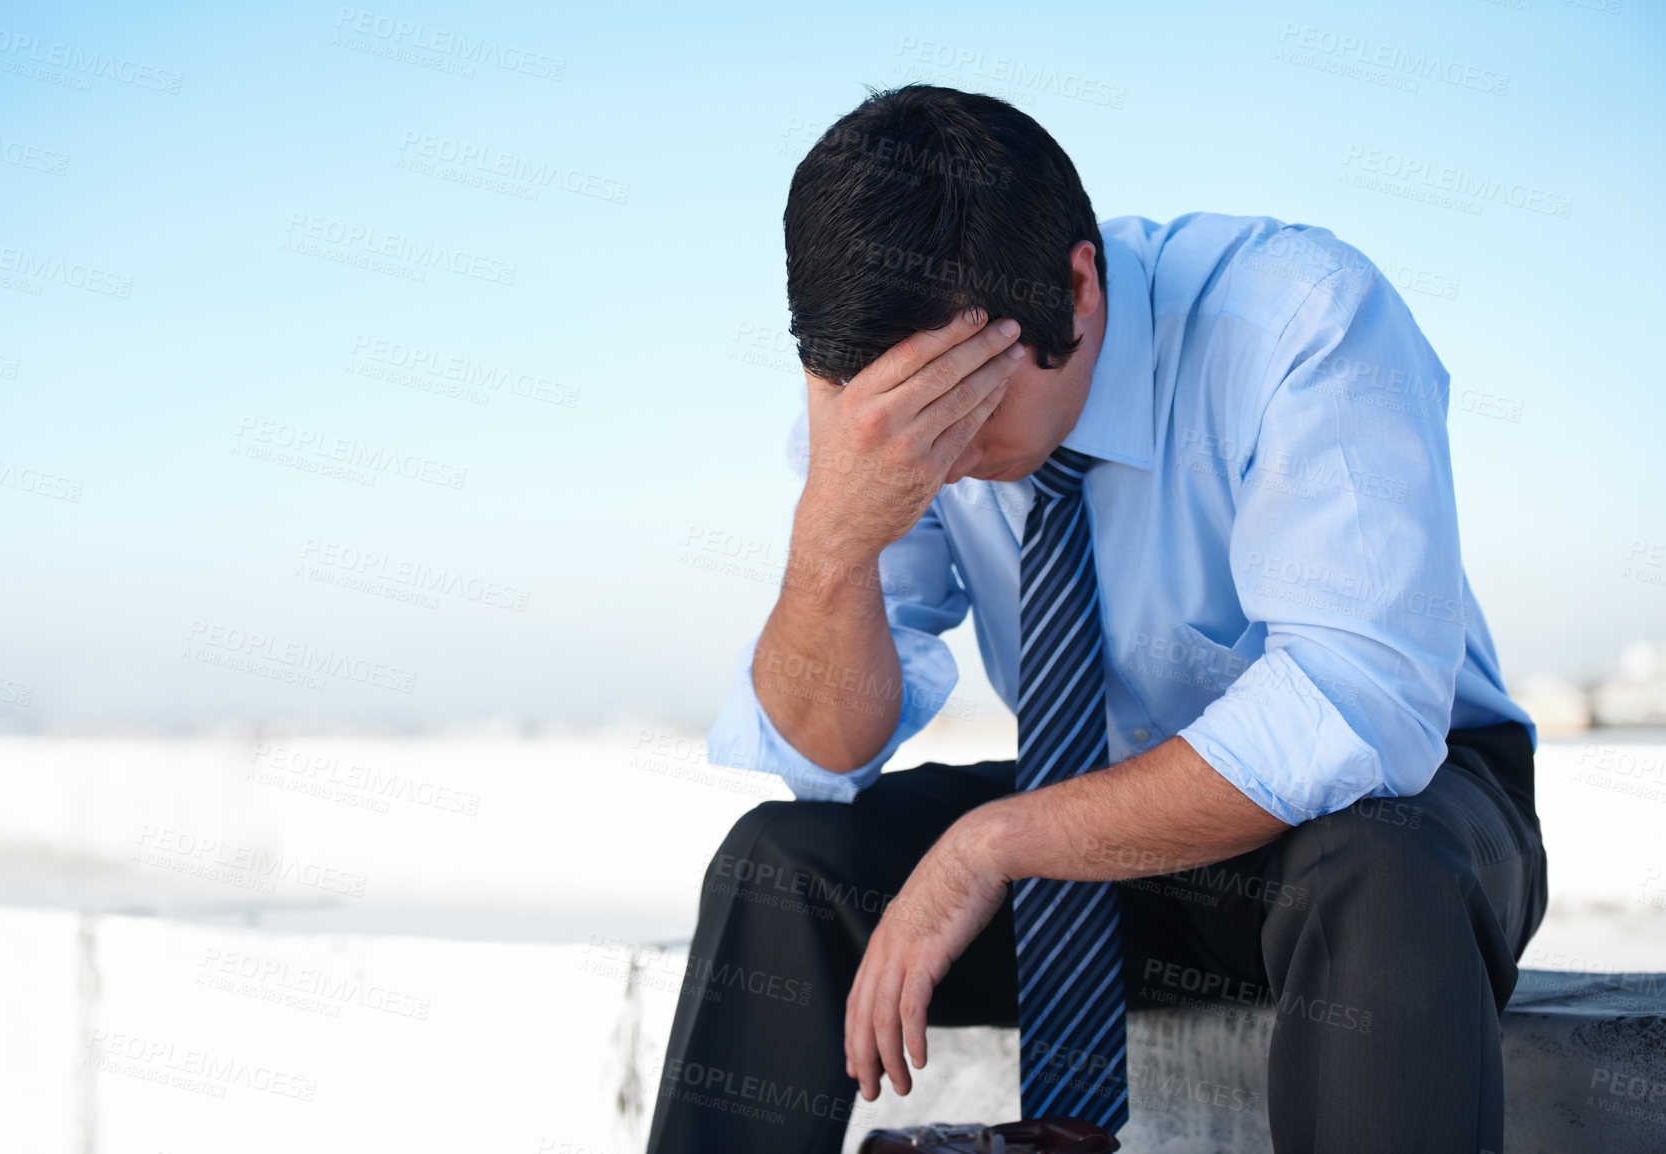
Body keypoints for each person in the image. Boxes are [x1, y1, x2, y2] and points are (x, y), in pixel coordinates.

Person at [646, 84, 1546, 1154]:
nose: (932, 453)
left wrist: (997, 841)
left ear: (1078, 289)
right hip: (1097, 830)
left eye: (966, 399)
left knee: (1379, 865)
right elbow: (823, 748)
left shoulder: (1298, 315)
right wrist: (832, 535)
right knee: (779, 861)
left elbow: (1357, 705)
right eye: (901, 415)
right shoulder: (881, 426)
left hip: (1385, 816)